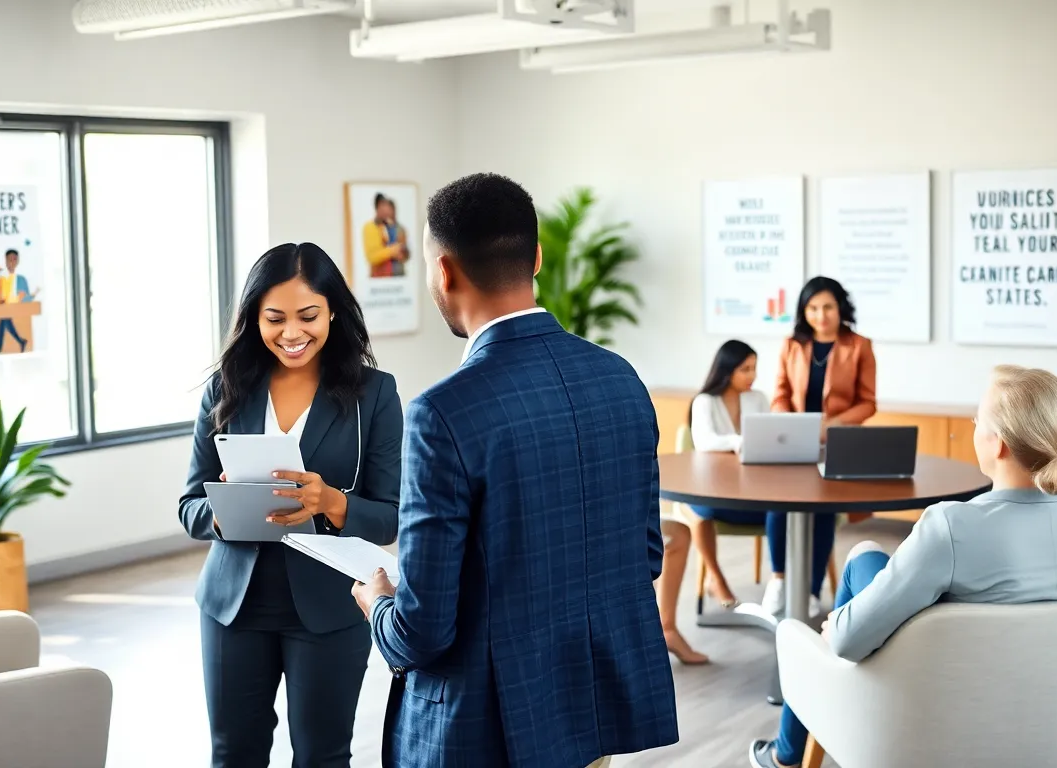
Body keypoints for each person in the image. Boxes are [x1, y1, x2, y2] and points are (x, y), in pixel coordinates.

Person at [351, 173, 678, 768]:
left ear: (444, 272)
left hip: (487, 726)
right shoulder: (621, 380)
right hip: (589, 707)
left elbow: (421, 631)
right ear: (536, 257)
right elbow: (645, 557)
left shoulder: (442, 412)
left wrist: (377, 601)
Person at [748, 364, 1057, 768]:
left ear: (999, 445)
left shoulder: (951, 527)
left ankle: (788, 757)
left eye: (978, 420)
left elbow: (848, 644)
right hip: (1046, 723)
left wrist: (838, 625)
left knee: (861, 562)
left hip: (930, 715)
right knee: (869, 559)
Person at [178, 242, 403, 768]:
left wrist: (331, 502)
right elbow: (190, 504)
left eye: (308, 316)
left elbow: (390, 515)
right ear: (254, 317)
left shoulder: (375, 395)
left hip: (330, 606)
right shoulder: (225, 389)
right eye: (274, 318)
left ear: (333, 313)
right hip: (233, 607)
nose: (292, 333)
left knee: (322, 757)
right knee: (234, 754)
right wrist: (224, 506)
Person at [765, 276, 876, 616]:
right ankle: (779, 580)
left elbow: (868, 402)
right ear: (803, 310)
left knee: (824, 511)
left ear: (840, 307)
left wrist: (832, 425)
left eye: (827, 306)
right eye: (812, 308)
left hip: (837, 443)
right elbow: (780, 394)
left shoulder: (859, 345)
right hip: (794, 441)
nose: (820, 314)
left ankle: (812, 591)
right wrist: (792, 421)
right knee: (778, 502)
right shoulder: (791, 345)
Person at [657, 340, 768, 664]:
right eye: (745, 369)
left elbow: (768, 437)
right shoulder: (705, 401)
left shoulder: (757, 399)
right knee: (699, 513)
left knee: (784, 512)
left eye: (754, 368)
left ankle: (782, 586)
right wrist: (742, 442)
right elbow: (705, 442)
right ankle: (715, 578)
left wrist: (739, 444)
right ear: (727, 370)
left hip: (753, 487)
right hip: (712, 486)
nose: (752, 376)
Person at [0, 248, 40, 354]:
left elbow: (26, 299)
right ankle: (19, 341)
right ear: (5, 260)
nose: (11, 262)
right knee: (4, 317)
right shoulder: (1, 278)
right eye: (9, 259)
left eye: (14, 259)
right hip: (3, 307)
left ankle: (1, 347)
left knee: (4, 317)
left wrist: (32, 295)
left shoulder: (21, 279)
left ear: (18, 261)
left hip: (16, 308)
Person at [363, 193, 409, 278]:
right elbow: (372, 256)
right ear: (377, 208)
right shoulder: (371, 227)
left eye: (388, 207)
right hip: (379, 277)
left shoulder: (397, 228)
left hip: (398, 275)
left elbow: (405, 252)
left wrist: (402, 253)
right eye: (383, 206)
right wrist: (393, 250)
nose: (386, 210)